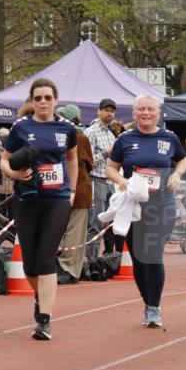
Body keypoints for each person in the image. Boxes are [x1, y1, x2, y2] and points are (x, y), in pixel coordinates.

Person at [0, 78, 78, 340]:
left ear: (55, 100)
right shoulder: (21, 126)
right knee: (30, 264)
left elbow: (72, 158)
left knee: (46, 257)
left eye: (48, 98)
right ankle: (41, 296)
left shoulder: (66, 127)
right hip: (27, 198)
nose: (43, 102)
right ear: (32, 101)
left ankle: (44, 320)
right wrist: (13, 173)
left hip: (57, 199)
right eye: (38, 98)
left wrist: (72, 191)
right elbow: (4, 160)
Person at [106, 94, 186, 328]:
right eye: (141, 109)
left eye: (150, 109)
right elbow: (111, 168)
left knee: (152, 254)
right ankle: (147, 300)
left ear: (158, 113)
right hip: (133, 206)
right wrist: (121, 181)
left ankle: (154, 307)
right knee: (138, 259)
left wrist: (177, 174)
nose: (146, 113)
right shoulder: (125, 139)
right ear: (134, 113)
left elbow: (182, 160)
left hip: (161, 204)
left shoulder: (169, 137)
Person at [56, 104, 93, 285]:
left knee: (65, 231)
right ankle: (70, 267)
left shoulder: (60, 137)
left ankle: (66, 267)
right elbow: (89, 163)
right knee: (75, 232)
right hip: (79, 190)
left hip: (64, 189)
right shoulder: (81, 138)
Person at [85, 98, 117, 259]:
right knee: (95, 224)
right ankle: (89, 261)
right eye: (106, 110)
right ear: (99, 111)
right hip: (95, 180)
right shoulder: (91, 132)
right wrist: (106, 153)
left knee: (106, 224)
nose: (109, 113)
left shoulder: (111, 134)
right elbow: (87, 160)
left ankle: (97, 259)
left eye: (112, 111)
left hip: (110, 182)